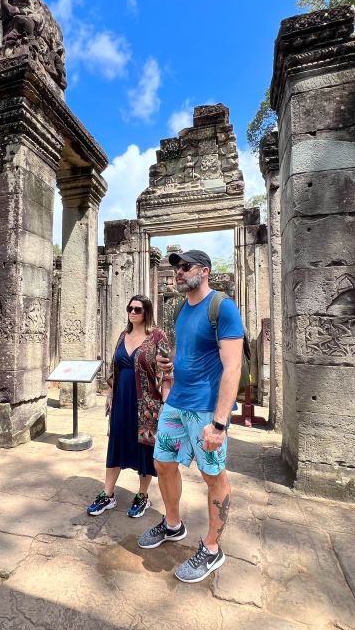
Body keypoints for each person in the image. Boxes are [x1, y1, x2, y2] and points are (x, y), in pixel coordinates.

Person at [137, 250, 244, 583]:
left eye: (185, 267)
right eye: (176, 268)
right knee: (163, 464)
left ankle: (212, 548)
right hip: (177, 403)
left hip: (204, 409)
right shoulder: (182, 310)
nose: (178, 272)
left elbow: (233, 366)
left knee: (213, 475)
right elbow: (186, 351)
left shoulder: (222, 307)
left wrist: (220, 423)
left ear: (205, 271)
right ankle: (173, 524)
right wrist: (171, 369)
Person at [88, 295, 172, 518]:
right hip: (121, 400)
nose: (133, 312)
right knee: (116, 442)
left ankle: (142, 495)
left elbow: (166, 373)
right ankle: (108, 494)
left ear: (147, 312)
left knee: (144, 448)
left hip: (147, 403)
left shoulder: (157, 336)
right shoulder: (123, 335)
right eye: (130, 308)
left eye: (138, 309)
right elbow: (114, 368)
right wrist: (109, 393)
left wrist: (166, 403)